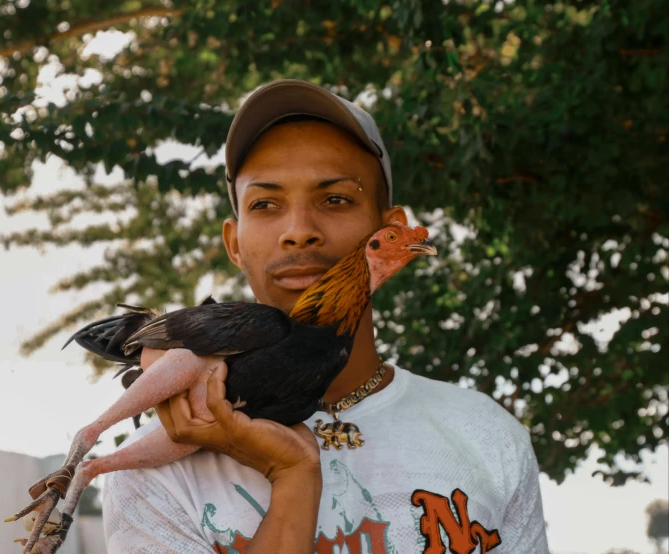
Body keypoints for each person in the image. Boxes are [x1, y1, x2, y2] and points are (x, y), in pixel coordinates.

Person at [102, 79, 549, 553]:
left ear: (390, 232)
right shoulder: (154, 465)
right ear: (234, 243)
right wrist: (294, 477)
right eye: (266, 204)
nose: (299, 232)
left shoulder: (485, 436)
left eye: (335, 199)